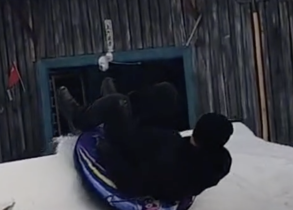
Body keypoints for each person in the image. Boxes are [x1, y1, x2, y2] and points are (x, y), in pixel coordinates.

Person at [57, 79, 233, 202]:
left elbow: (133, 182)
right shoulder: (217, 160)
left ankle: (80, 117)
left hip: (129, 153)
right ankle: (122, 104)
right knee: (166, 93)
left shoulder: (169, 162)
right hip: (151, 145)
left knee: (117, 103)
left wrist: (108, 152)